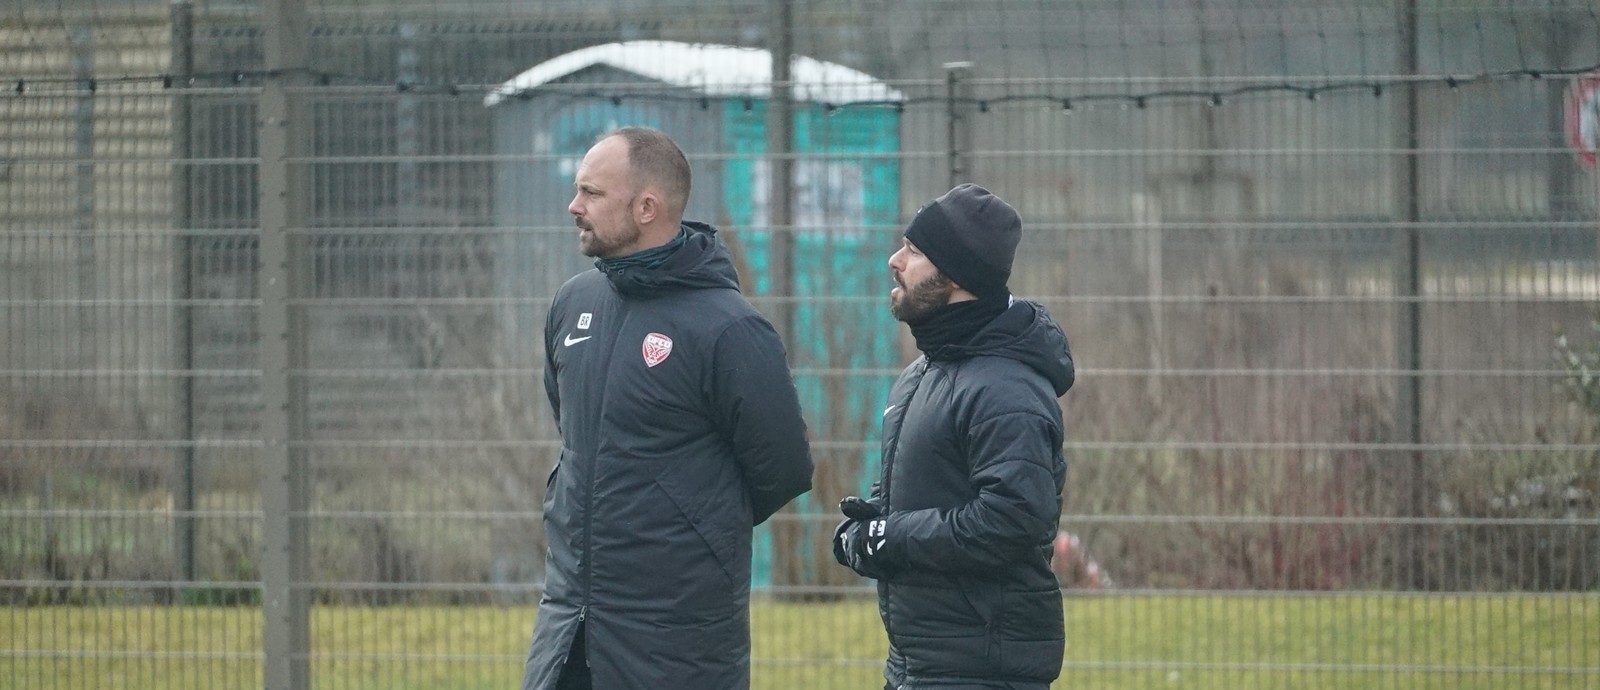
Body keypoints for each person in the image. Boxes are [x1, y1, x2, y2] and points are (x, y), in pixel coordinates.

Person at [522, 127, 814, 690]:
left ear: (647, 207)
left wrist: (690, 520)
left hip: (677, 643)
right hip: (569, 631)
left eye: (591, 193)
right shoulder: (571, 304)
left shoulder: (729, 329)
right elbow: (579, 432)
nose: (573, 206)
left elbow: (782, 469)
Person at [833, 184, 1075, 690]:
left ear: (957, 276)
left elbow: (1011, 521)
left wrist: (892, 538)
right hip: (917, 666)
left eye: (915, 252)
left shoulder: (1006, 388)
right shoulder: (922, 374)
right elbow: (912, 501)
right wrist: (866, 529)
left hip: (981, 670)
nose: (895, 261)